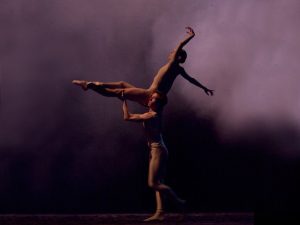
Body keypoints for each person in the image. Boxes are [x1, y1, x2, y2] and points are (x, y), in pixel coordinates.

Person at [72, 27, 213, 107]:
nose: (169, 54)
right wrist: (204, 88)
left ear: (177, 57)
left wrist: (191, 36)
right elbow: (191, 80)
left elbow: (180, 46)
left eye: (172, 53)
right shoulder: (178, 69)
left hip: (150, 95)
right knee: (121, 84)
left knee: (117, 92)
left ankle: (89, 85)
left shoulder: (173, 64)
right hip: (151, 95)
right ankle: (95, 84)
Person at [122, 91, 185, 222]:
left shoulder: (151, 116)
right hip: (158, 149)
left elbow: (127, 117)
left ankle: (179, 202)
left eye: (154, 98)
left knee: (152, 183)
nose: (150, 98)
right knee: (159, 182)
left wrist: (123, 100)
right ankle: (160, 213)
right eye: (151, 97)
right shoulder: (153, 113)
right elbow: (140, 107)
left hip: (158, 150)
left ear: (159, 104)